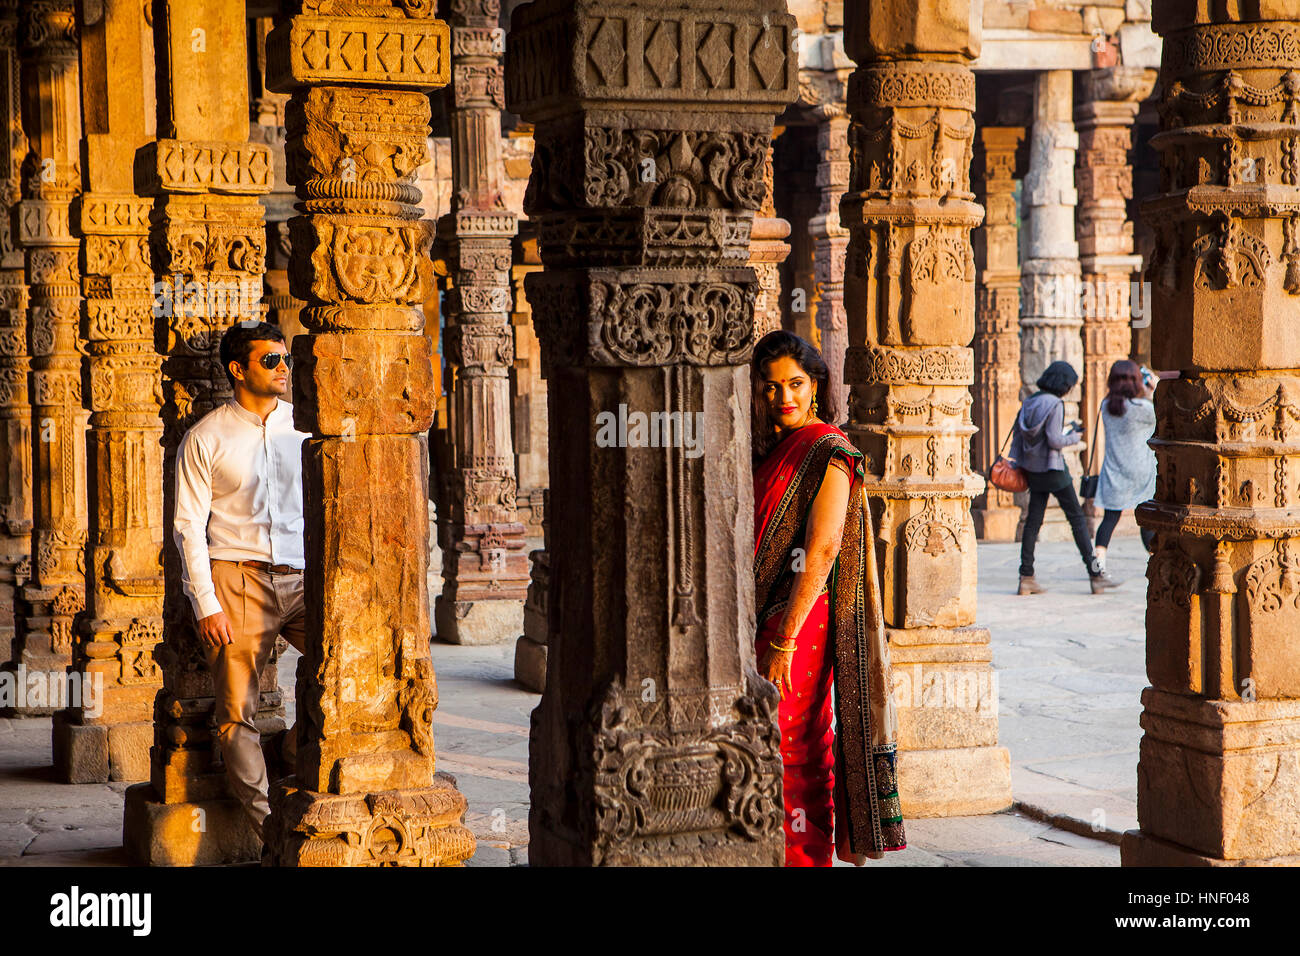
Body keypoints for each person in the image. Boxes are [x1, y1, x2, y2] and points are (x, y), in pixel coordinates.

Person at [751, 330, 905, 867]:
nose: (783, 397)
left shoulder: (829, 452)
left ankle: (803, 858)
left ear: (815, 385)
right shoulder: (767, 451)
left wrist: (786, 642)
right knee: (761, 744)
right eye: (770, 387)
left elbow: (821, 549)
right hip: (763, 620)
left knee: (791, 746)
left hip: (801, 624)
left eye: (795, 383)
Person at [173, 321, 309, 840]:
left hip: (301, 579)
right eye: (270, 360)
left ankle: (289, 752)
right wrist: (205, 602)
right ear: (238, 369)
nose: (283, 369)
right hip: (237, 579)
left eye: (285, 360)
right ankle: (271, 832)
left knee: (344, 676)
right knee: (235, 715)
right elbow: (188, 525)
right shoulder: (206, 437)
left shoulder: (302, 426)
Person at [1011, 359, 1120, 596]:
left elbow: (1027, 435)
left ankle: (1026, 576)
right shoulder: (1055, 404)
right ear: (1063, 384)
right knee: (1078, 520)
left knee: (1032, 522)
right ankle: (1095, 575)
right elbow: (1054, 440)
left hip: (1033, 470)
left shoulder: (1029, 401)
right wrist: (1074, 436)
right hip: (1053, 470)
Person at [1093, 359, 1158, 569]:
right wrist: (1153, 388)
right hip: (1142, 473)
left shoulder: (1105, 407)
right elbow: (1163, 414)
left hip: (1114, 472)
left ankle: (1098, 569)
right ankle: (1156, 562)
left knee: (1109, 519)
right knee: (1147, 520)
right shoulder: (1143, 409)